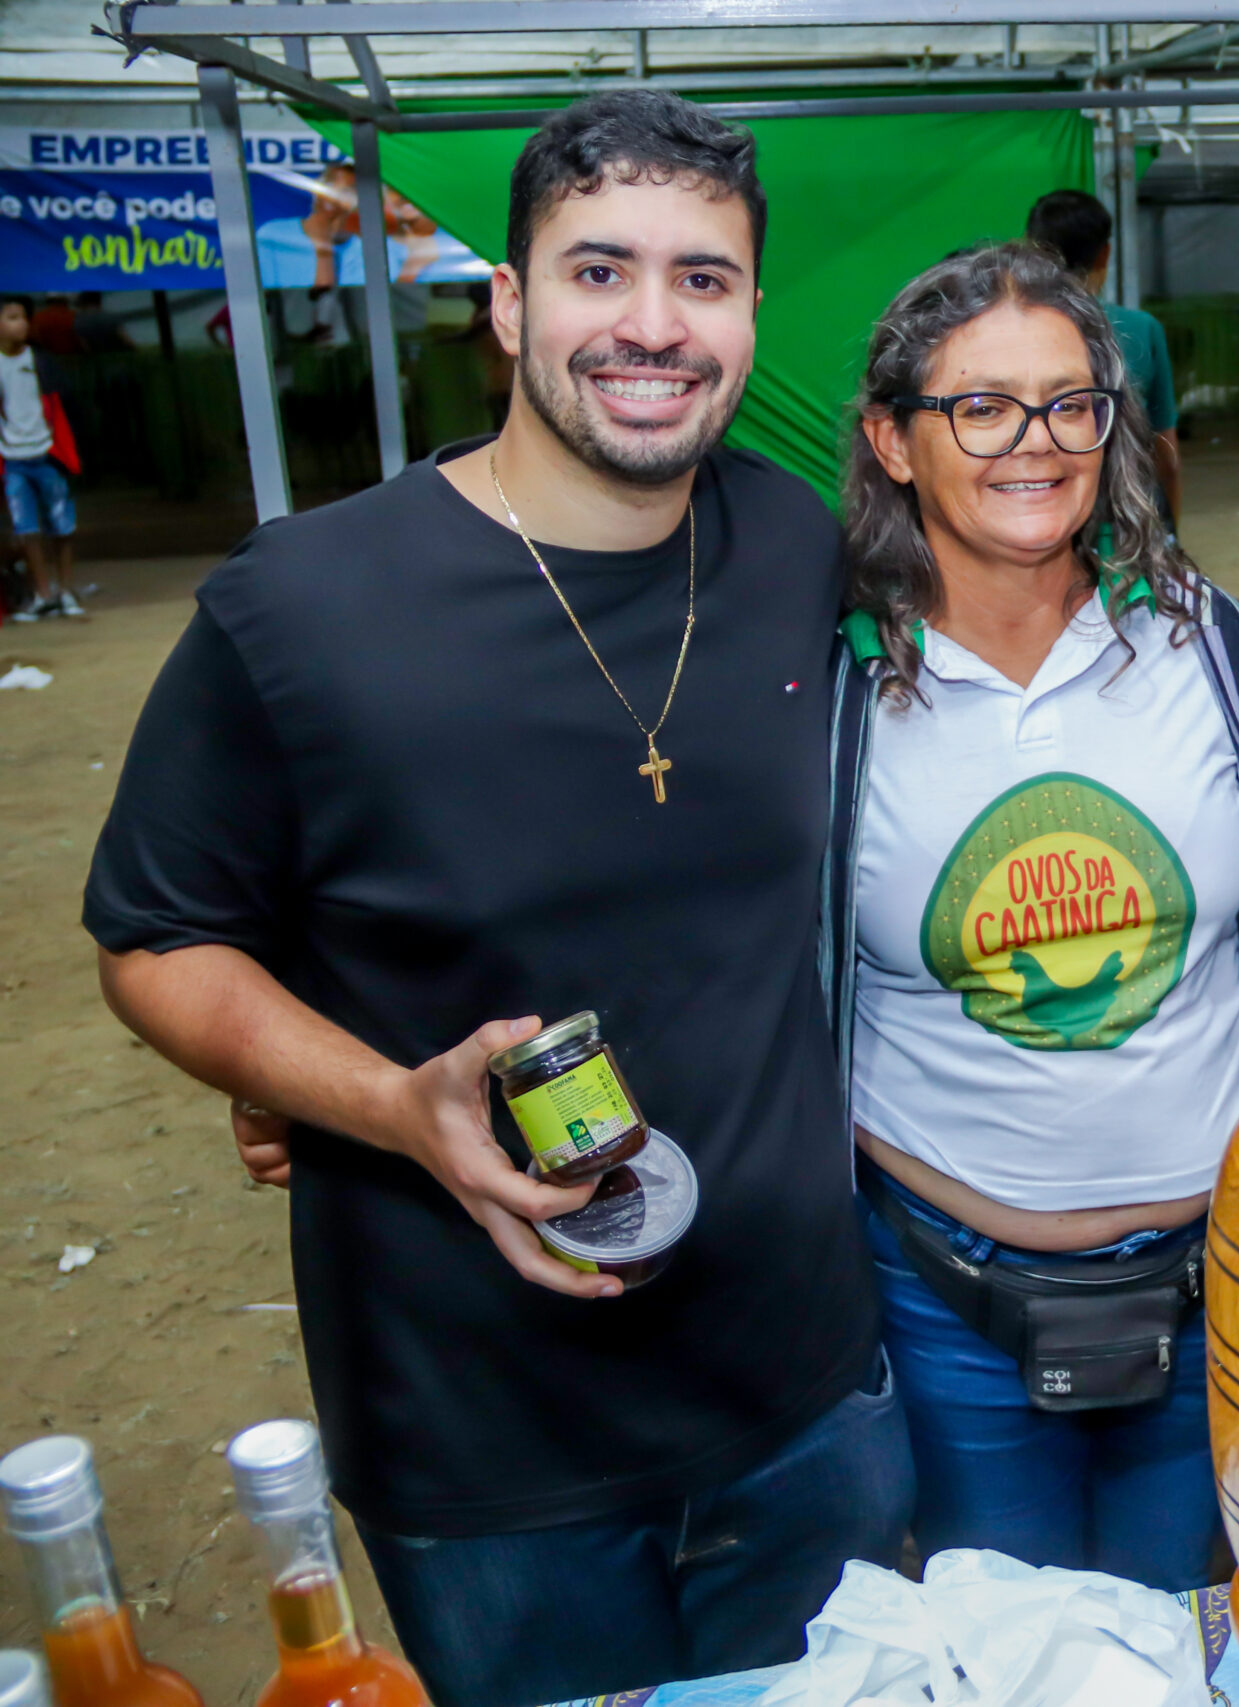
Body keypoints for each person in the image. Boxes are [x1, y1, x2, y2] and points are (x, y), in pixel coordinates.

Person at [84, 89, 911, 1707]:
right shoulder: (301, 609)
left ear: (750, 313)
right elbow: (160, 940)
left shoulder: (794, 546)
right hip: (484, 1440)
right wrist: (378, 1098)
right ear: (511, 304)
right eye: (600, 273)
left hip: (808, 1393)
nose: (653, 326)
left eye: (703, 279)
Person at [831, 241, 1239, 1589]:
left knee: (1190, 1627)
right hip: (947, 1307)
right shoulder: (827, 691)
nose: (1037, 442)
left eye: (1072, 402)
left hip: (1224, 1282)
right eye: (982, 406)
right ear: (894, 440)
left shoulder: (1211, 648)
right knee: (1005, 1653)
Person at [1025, 189, 1183, 528]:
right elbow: (1166, 456)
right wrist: (1170, 532)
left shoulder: (1013, 331)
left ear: (1032, 252)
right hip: (1123, 519)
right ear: (1105, 254)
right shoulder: (1141, 329)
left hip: (1043, 512)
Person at [1, 296, 83, 621]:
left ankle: (65, 592)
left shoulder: (42, 361)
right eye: (12, 317)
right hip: (13, 462)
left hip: (47, 456)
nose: (21, 323)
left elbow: (64, 407)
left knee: (62, 527)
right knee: (27, 530)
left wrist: (66, 452)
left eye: (23, 317)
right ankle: (43, 594)